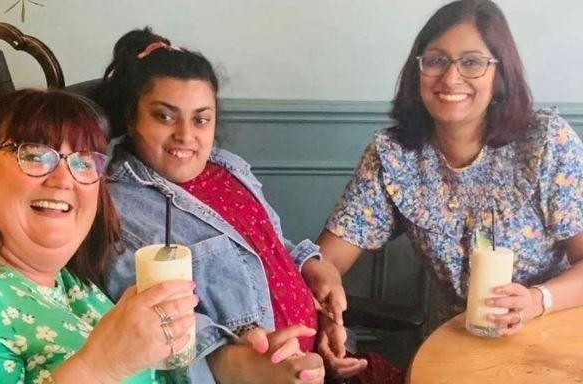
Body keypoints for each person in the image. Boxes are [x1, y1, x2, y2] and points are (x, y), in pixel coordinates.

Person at [316, 0, 583, 342]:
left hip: (552, 334)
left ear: (500, 74)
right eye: (436, 61)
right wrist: (327, 318)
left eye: (472, 62)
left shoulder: (545, 143)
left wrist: (537, 299)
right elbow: (327, 259)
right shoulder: (395, 155)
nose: (451, 77)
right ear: (418, 71)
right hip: (452, 343)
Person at [94, 28, 345, 384]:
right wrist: (242, 362)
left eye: (200, 119)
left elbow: (265, 244)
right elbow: (158, 323)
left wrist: (312, 266)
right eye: (165, 117)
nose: (186, 135)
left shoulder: (229, 168)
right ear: (132, 119)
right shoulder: (119, 207)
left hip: (316, 361)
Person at [0, 89, 198, 384]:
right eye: (34, 155)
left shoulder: (74, 287)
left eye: (83, 162)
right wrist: (100, 368)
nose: (62, 179)